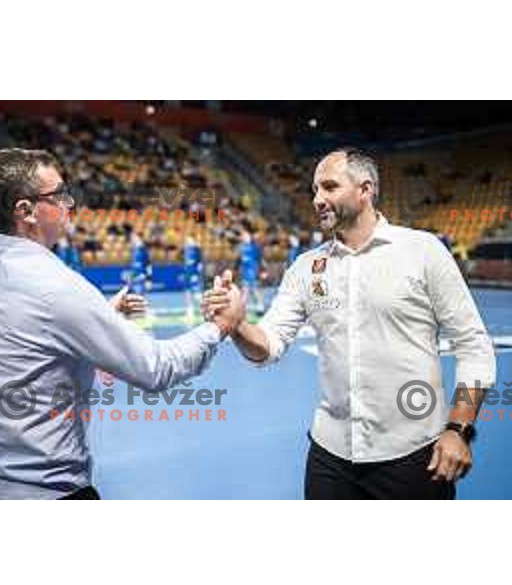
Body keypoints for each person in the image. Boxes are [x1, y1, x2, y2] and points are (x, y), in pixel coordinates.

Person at [0, 148, 244, 500]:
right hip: (43, 491)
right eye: (58, 194)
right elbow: (157, 368)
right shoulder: (57, 286)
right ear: (25, 211)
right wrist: (220, 326)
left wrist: (97, 316)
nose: (69, 203)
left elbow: (22, 330)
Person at [203, 147, 496, 500]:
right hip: (330, 457)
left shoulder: (423, 251)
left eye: (329, 187)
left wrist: (458, 429)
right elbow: (268, 345)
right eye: (314, 190)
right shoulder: (305, 268)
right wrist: (237, 325)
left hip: (415, 454)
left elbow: (474, 348)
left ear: (365, 190)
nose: (318, 199)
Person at [183, 235, 204, 322]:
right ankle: (190, 312)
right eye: (186, 240)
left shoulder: (196, 249)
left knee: (197, 296)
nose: (187, 242)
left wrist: (197, 275)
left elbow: (200, 264)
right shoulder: (186, 250)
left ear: (193, 240)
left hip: (194, 276)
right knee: (187, 293)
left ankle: (206, 312)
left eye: (189, 240)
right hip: (187, 275)